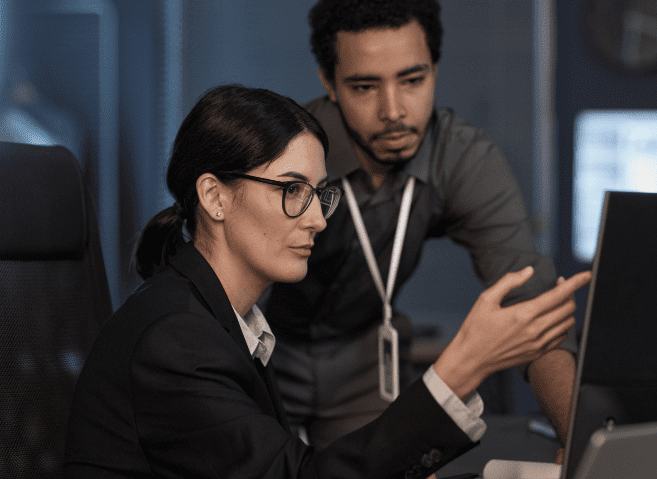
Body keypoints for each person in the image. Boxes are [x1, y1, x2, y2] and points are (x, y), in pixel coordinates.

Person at [63, 84, 591, 478]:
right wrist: (463, 365)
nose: (317, 218)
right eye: (293, 190)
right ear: (215, 196)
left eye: (320, 194)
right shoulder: (176, 341)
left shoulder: (219, 322)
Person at [262, 0, 580, 458]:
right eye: (364, 86)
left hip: (366, 358)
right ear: (328, 83)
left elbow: (531, 303)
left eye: (413, 80)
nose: (394, 110)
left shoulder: (463, 158)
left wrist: (582, 444)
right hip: (267, 350)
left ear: (434, 69)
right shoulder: (285, 152)